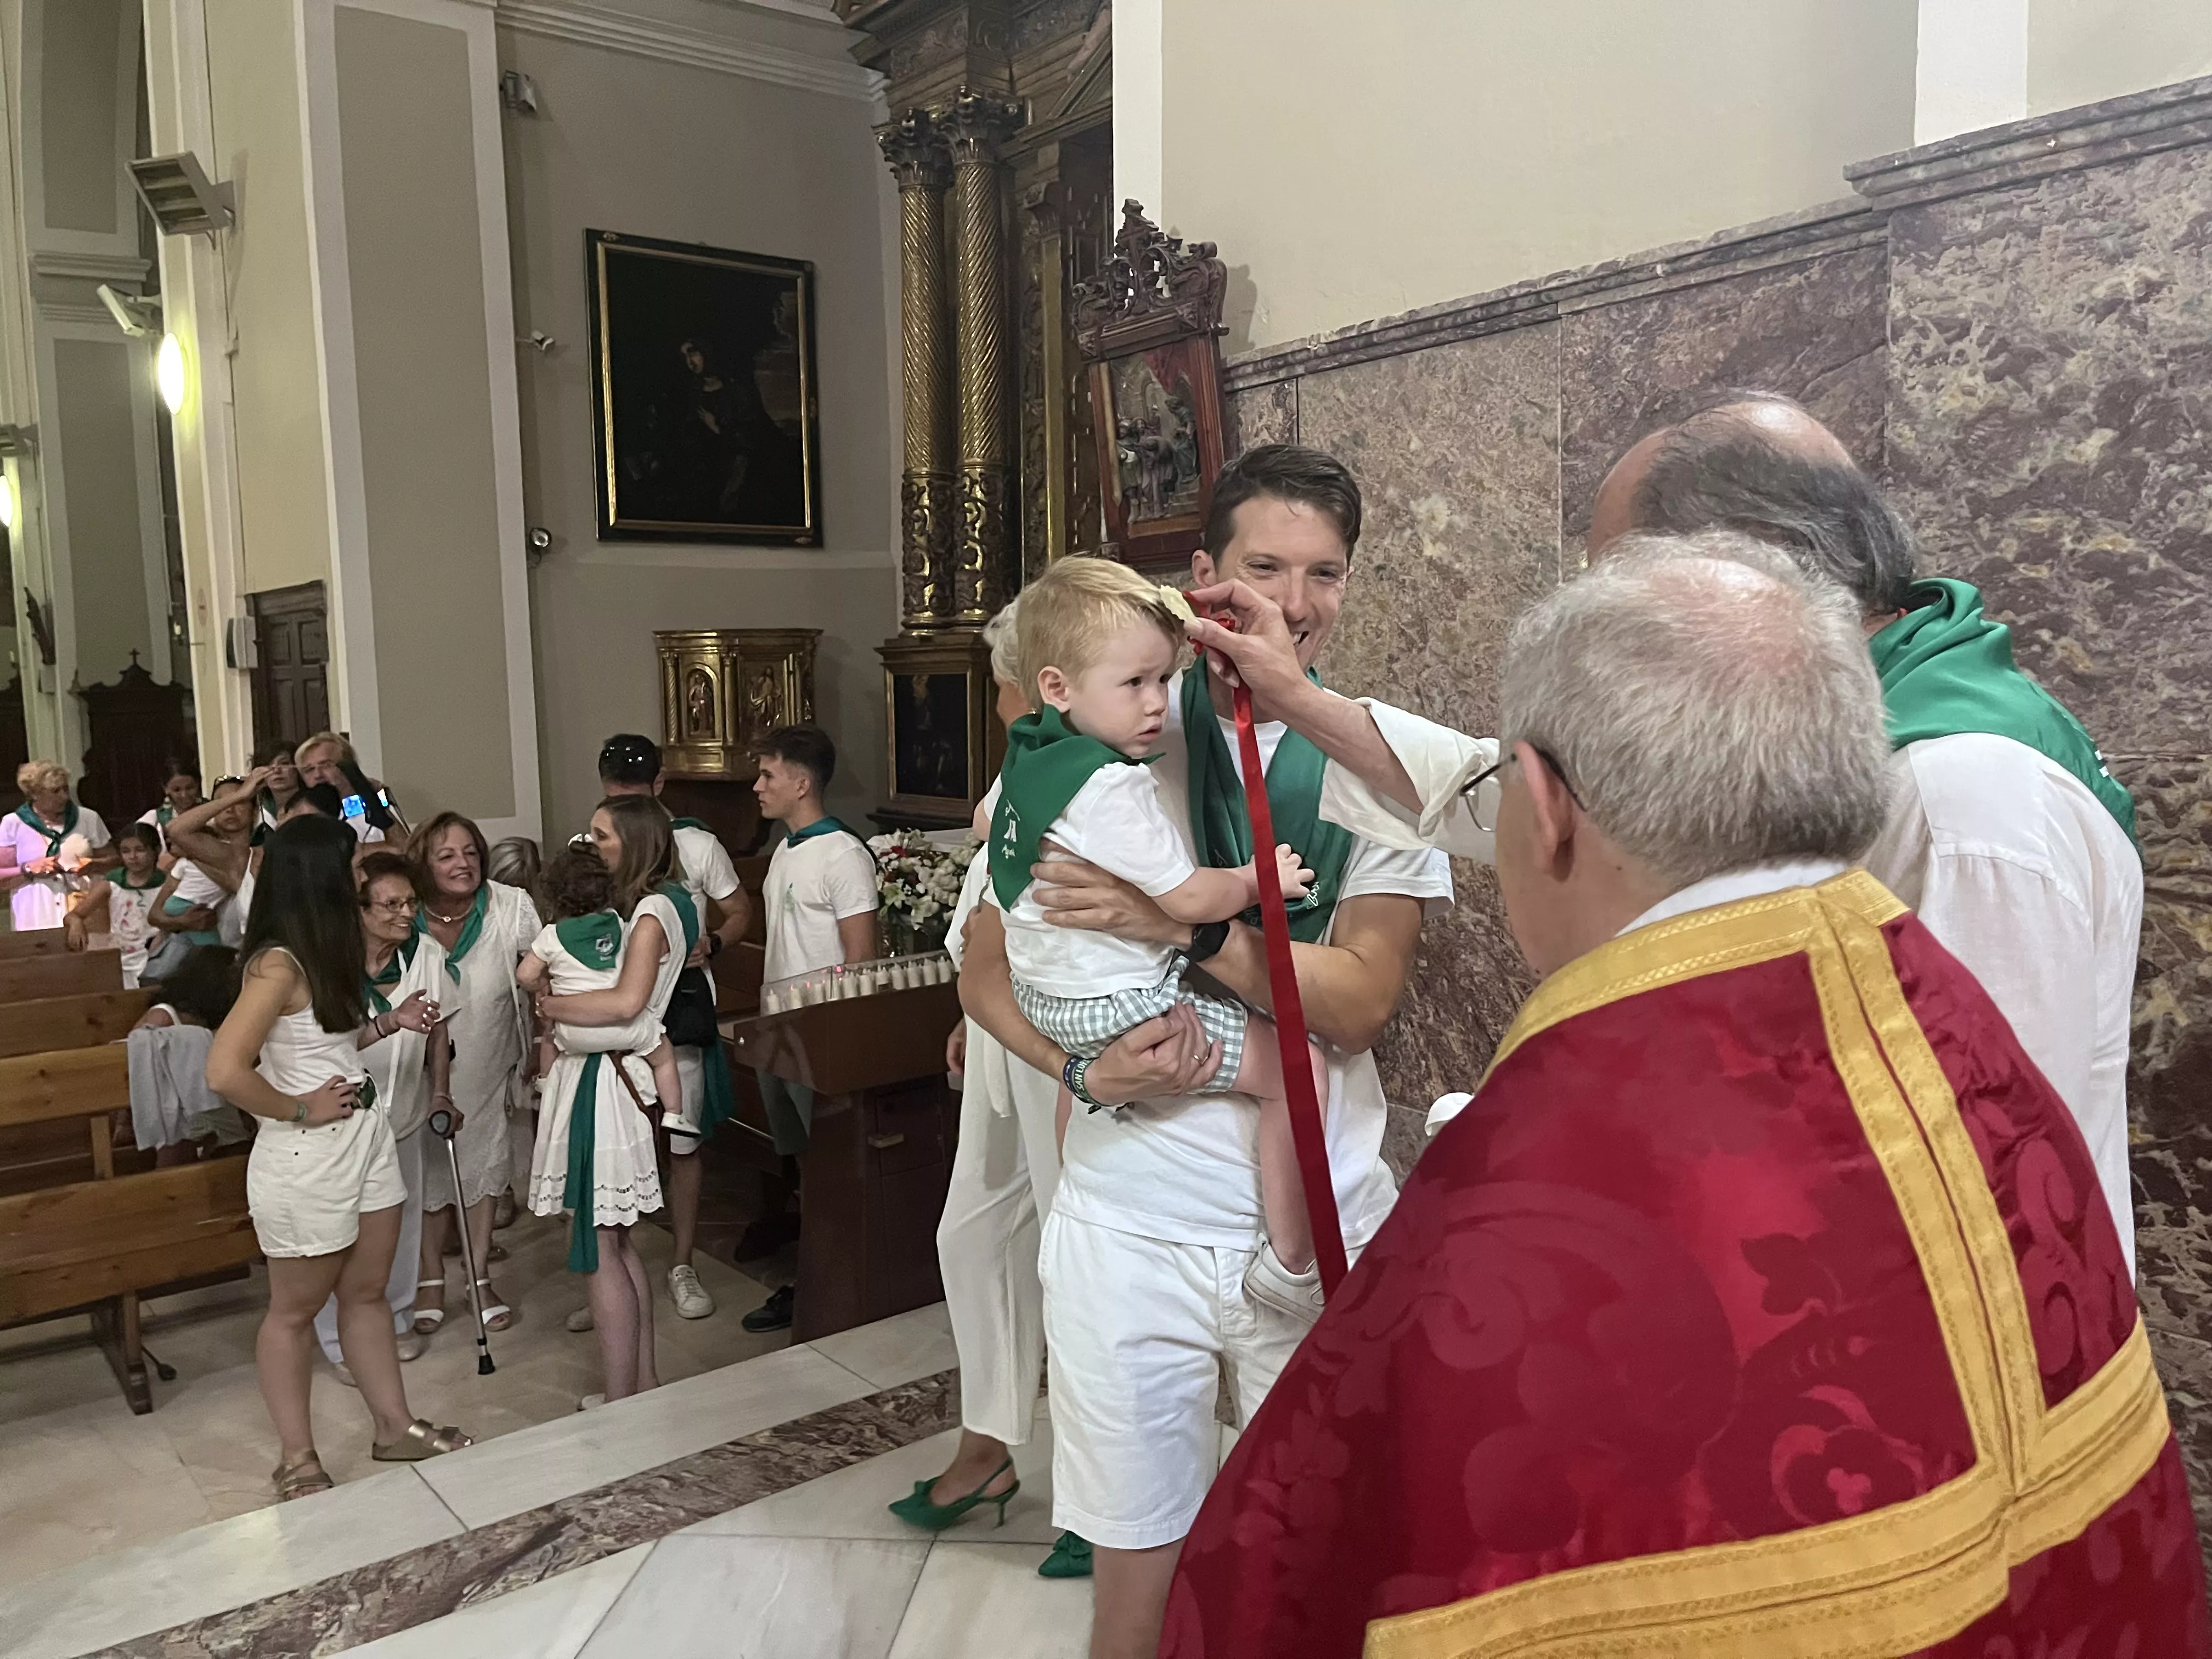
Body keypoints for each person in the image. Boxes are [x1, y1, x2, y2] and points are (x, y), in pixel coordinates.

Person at [1163, 532, 2208, 1657]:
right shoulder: (1948, 1021)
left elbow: (1291, 1576)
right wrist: (1299, 696)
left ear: (1547, 808)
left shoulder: (1529, 1199)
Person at [1194, 396, 2147, 1277]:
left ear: (1743, 572)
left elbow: (1982, 1163)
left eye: (1616, 584)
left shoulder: (1963, 792)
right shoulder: (1768, 720)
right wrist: (1298, 699)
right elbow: (1519, 803)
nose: (1597, 620)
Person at [960, 444, 1452, 1659]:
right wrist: (1076, 1065)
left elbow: (1358, 1003)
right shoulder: (1099, 733)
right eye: (1264, 566)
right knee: (1135, 1574)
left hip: (1323, 1206)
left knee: (1323, 1563)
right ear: (1201, 578)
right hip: (1132, 1220)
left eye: (1325, 573)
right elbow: (984, 964)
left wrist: (1178, 925)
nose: (1293, 602)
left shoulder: (1379, 764)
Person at [986, 556, 1329, 1318]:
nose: (1154, 705)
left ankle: (1073, 1185)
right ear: (1057, 686)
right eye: (1134, 684)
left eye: (1163, 681)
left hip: (1047, 996)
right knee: (1298, 1067)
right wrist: (1255, 877)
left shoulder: (1034, 755)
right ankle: (1293, 1262)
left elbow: (988, 827)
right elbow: (1190, 897)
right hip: (1118, 1009)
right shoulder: (1110, 787)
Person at [887, 597, 1092, 1580]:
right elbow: (990, 879)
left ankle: (1104, 1494)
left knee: (1074, 1247)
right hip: (999, 1015)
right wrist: (970, 1013)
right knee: (973, 1228)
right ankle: (988, 1443)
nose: (999, 692)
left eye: (1004, 673)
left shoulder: (1095, 754)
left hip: (1059, 1020)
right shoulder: (1031, 742)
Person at [204, 815, 468, 1500]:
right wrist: (299, 1107)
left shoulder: (326, 947)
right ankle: (296, 1458)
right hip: (305, 1155)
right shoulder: (277, 963)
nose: (363, 875)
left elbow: (328, 1041)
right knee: (293, 1312)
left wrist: (387, 1023)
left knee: (367, 1293)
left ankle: (394, 1426)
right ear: (321, 874)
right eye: (352, 866)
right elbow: (225, 1069)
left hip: (365, 1139)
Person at [522, 804, 688, 1407]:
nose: (592, 844)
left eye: (601, 835)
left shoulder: (645, 917)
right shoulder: (635, 916)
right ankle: (642, 1383)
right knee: (618, 1242)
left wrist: (553, 1009)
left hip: (601, 1083)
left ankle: (622, 1398)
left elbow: (623, 1009)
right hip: (627, 1078)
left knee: (598, 1244)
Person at [597, 733, 751, 1322]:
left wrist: (709, 941)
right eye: (617, 792)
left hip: (679, 1009)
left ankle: (682, 1263)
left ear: (659, 786)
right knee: (620, 1144)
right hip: (616, 1012)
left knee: (682, 1140)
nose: (628, 803)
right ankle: (615, 1264)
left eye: (638, 791)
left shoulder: (695, 844)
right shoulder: (596, 844)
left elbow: (739, 911)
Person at [743, 724, 879, 1334]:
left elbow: (861, 960)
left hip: (819, 1034)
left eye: (768, 775)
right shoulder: (785, 851)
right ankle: (808, 1267)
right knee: (798, 1159)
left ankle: (830, 1283)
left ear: (801, 783)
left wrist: (835, 1034)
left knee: (828, 1162)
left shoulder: (844, 854)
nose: (758, 787)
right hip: (781, 1029)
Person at [317, 851, 450, 1384]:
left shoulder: (427, 956)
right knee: (338, 1232)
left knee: (398, 1225)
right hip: (340, 1121)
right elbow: (318, 1047)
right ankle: (336, 1338)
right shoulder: (326, 961)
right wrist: (391, 1021)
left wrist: (441, 1093)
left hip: (406, 1116)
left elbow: (441, 1033)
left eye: (410, 903)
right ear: (360, 909)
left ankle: (393, 1321)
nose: (404, 914)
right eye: (391, 904)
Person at [410, 811, 537, 1338]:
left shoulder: (512, 907)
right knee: (423, 1169)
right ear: (424, 865)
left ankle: (479, 1275)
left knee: (484, 1160)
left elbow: (542, 978)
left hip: (488, 1056)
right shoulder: (403, 912)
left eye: (469, 853)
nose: (463, 864)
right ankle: (430, 1276)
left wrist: (544, 1042)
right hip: (413, 1066)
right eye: (446, 855)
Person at [127, 944, 249, 1166]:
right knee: (179, 1141)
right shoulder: (163, 1017)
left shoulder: (214, 1023)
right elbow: (138, 1064)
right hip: (174, 1111)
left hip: (208, 1106)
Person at [2, 760, 112, 932]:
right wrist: (28, 869)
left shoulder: (88, 818)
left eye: (65, 789)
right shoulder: (14, 823)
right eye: (55, 791)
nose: (64, 797)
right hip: (37, 915)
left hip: (83, 910)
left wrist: (95, 865)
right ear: (35, 794)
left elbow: (115, 861)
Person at [65, 821, 166, 985]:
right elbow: (75, 914)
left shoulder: (166, 884)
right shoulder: (112, 884)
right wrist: (76, 923)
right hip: (122, 959)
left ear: (156, 850)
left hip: (158, 958)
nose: (133, 857)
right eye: (126, 851)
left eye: (140, 850)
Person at [295, 730, 408, 847]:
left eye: (326, 765)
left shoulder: (376, 805)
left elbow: (405, 852)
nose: (318, 775)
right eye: (309, 770)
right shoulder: (302, 816)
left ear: (349, 767)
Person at [253, 743, 303, 831]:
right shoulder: (257, 812)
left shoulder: (312, 806)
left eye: (284, 763)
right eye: (268, 765)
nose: (276, 770)